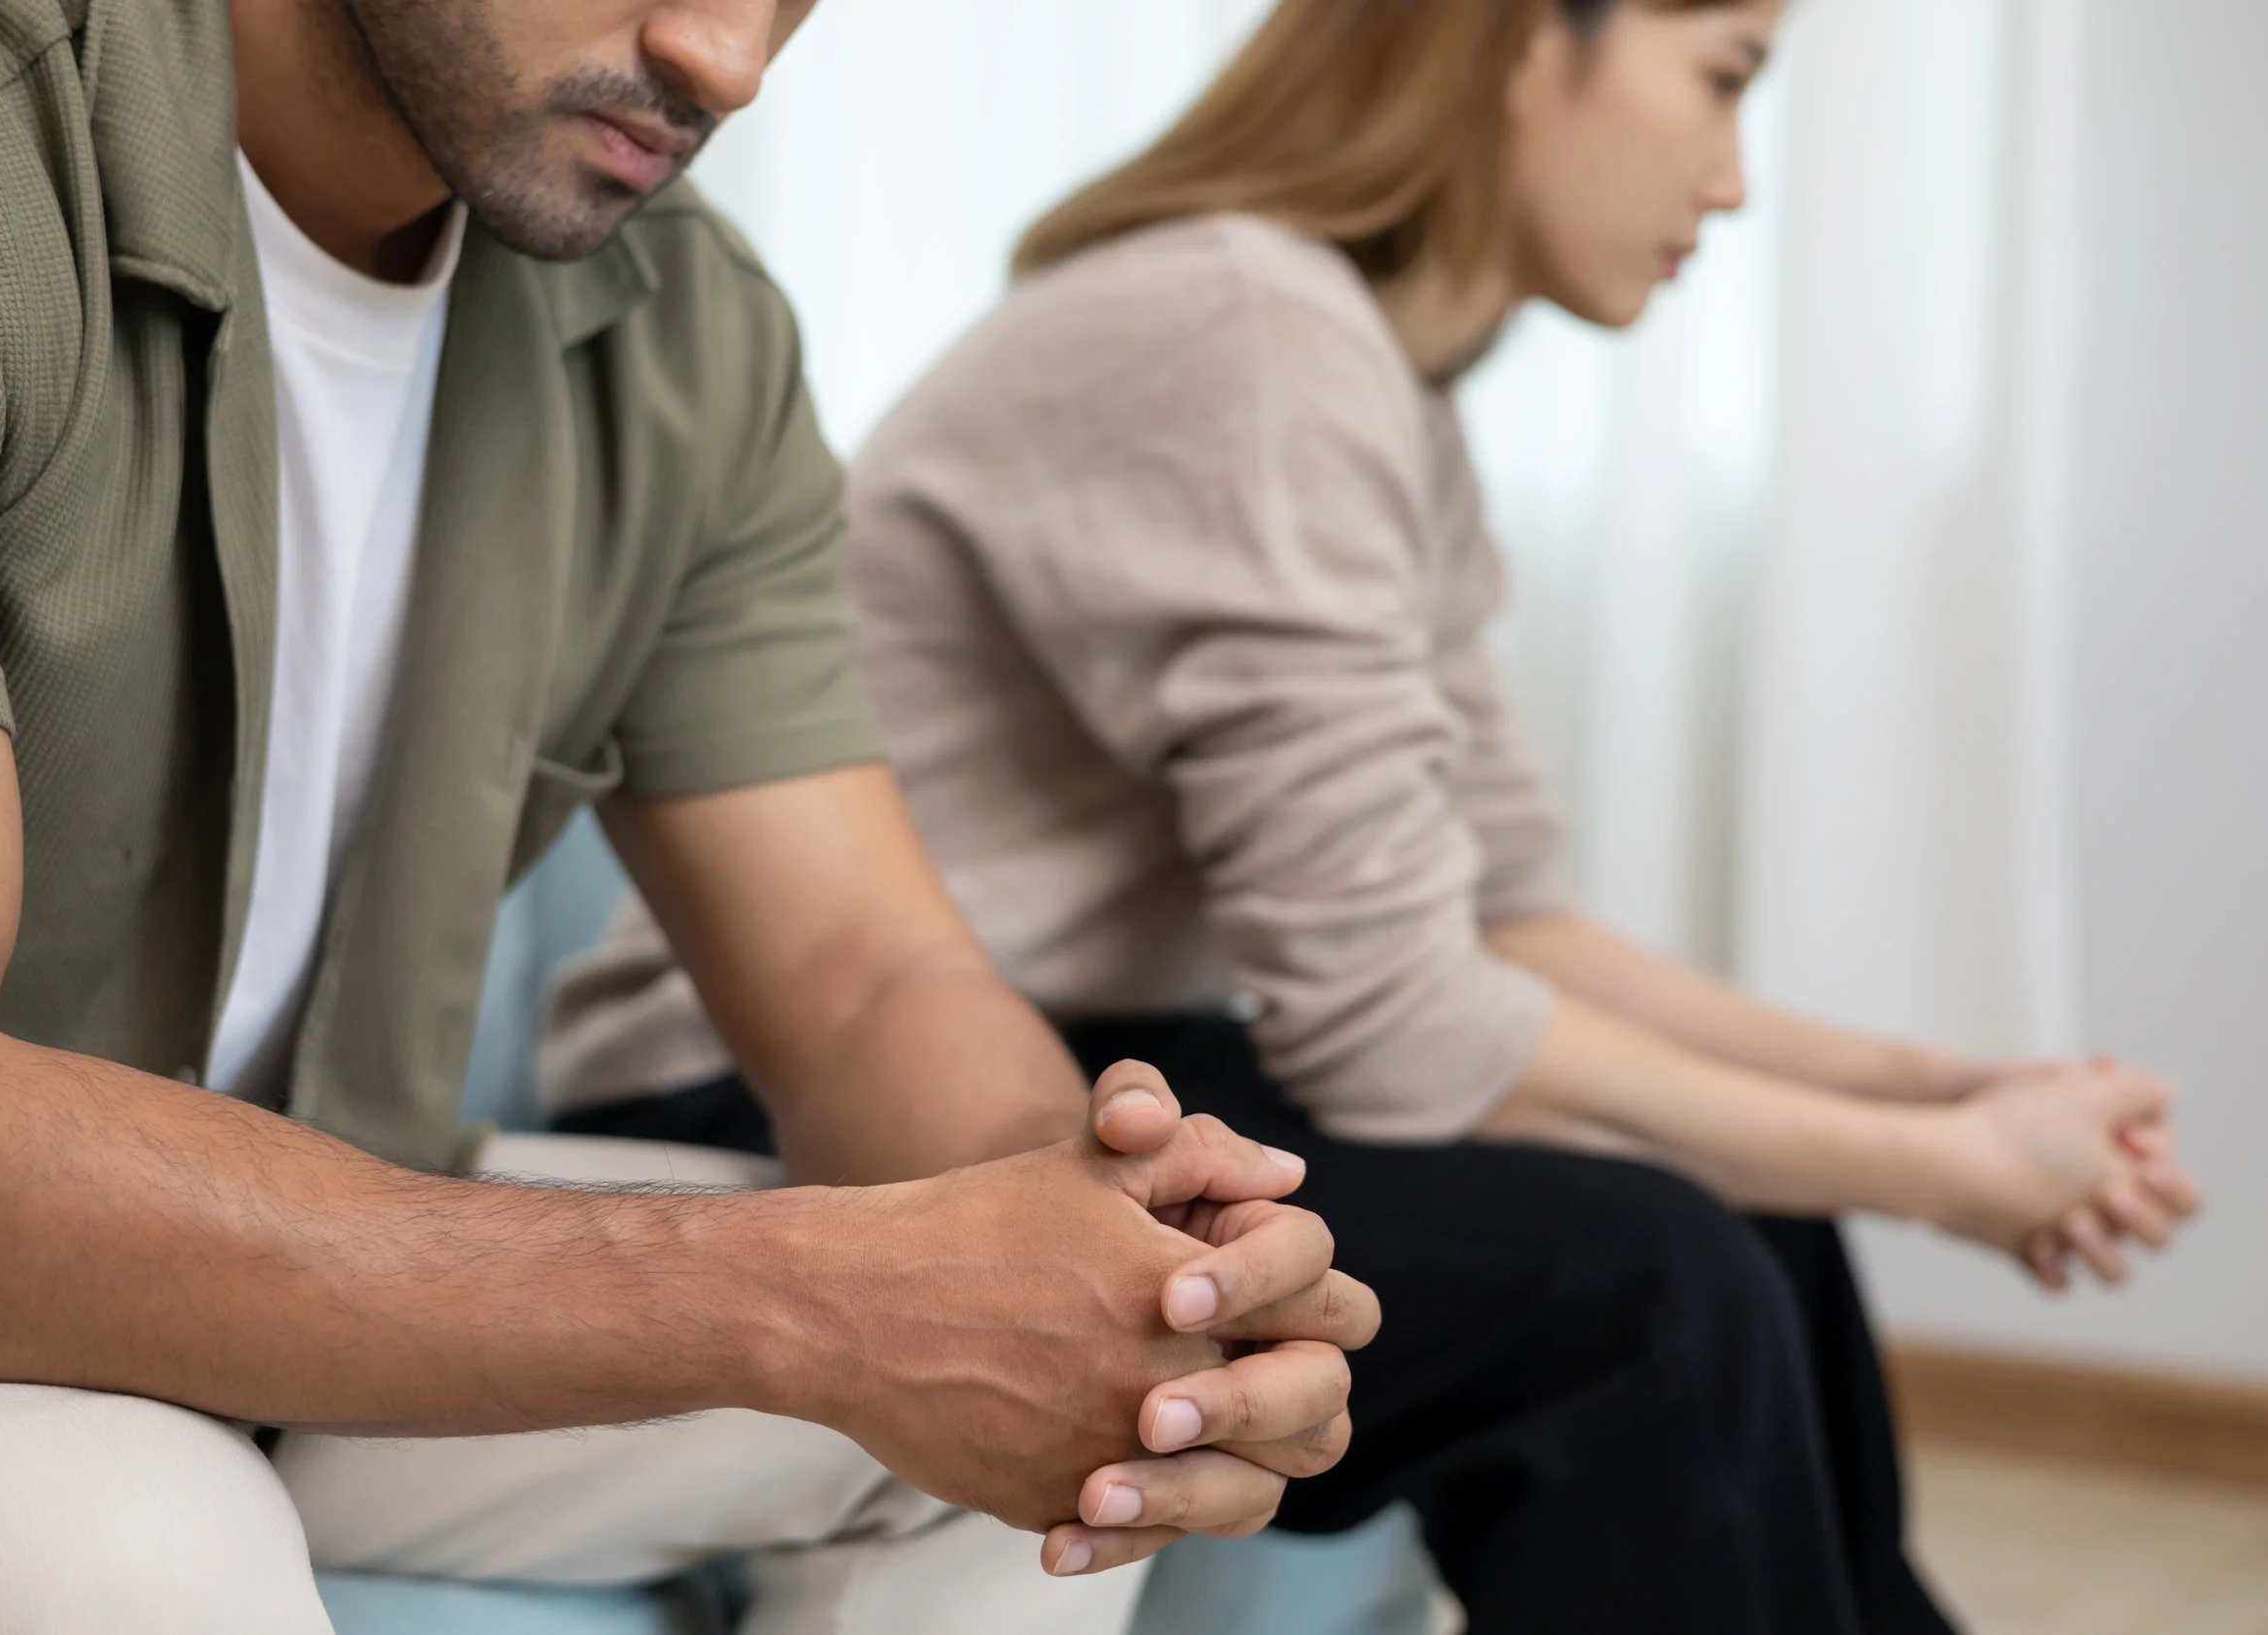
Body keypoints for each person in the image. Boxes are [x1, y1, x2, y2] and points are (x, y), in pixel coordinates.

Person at [546, 2, 2206, 1632]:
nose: (1730, 182)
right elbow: (1398, 1033)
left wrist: (1951, 1094)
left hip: (1099, 1056)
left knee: (1757, 1208)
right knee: (1645, 1284)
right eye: (1722, 79)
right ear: (1508, 41)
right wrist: (1950, 1176)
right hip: (787, 1110)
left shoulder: (1355, 372)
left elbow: (1501, 922)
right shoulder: (1244, 331)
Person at [0, 1, 1383, 1630]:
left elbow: (862, 982)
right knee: (119, 1526)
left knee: (1056, 1422)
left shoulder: (681, 324)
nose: (730, 58)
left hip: (279, 1281)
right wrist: (811, 1304)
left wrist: (1107, 1257)